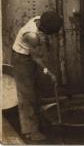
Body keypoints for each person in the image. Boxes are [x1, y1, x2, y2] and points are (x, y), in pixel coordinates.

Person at [11, 11, 62, 141]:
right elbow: (36, 59)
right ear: (44, 29)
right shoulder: (32, 36)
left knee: (36, 91)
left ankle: (38, 122)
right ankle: (30, 131)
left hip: (30, 56)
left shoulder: (39, 19)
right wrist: (49, 73)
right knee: (26, 94)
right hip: (21, 59)